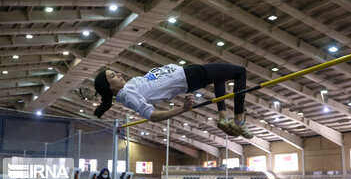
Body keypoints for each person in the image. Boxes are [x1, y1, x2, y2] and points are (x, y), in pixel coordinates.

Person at [94, 63, 253, 138]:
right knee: (240, 72)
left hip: (186, 74)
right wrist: (183, 109)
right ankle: (239, 120)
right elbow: (153, 116)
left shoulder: (128, 88)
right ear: (109, 87)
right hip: (187, 76)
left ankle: (224, 117)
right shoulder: (127, 94)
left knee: (222, 76)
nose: (119, 74)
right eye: (113, 76)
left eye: (115, 72)